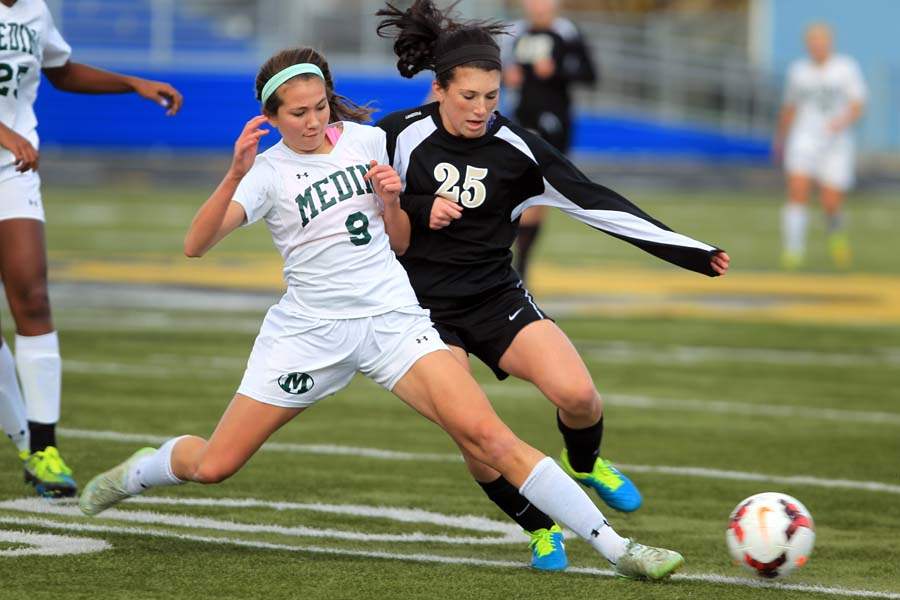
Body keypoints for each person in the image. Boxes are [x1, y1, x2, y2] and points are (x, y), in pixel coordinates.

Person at [78, 46, 685, 581]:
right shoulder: (265, 174)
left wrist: (397, 200)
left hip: (394, 322)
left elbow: (397, 241)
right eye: (298, 113)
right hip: (309, 334)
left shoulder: (371, 142)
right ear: (270, 117)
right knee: (215, 465)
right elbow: (196, 244)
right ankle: (138, 472)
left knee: (487, 435)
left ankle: (619, 548)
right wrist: (233, 173)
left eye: (321, 106)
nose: (314, 121)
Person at [375, 0, 730, 571]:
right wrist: (418, 205)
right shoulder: (395, 135)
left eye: (492, 98)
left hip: (495, 297)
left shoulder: (517, 149)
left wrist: (689, 250)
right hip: (421, 313)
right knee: (476, 436)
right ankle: (541, 528)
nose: (480, 110)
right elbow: (359, 192)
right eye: (468, 97)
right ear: (438, 90)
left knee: (580, 396)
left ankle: (585, 462)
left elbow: (596, 202)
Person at [0, 0, 183, 498]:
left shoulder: (34, 11)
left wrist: (133, 83)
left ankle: (44, 448)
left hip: (11, 172)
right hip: (12, 147)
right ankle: (25, 443)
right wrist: (5, 133)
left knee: (33, 298)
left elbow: (60, 70)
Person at [500, 0, 597, 284]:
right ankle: (515, 265)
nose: (537, 6)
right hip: (517, 119)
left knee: (536, 190)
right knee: (513, 190)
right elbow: (494, 74)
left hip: (553, 122)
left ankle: (522, 266)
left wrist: (556, 71)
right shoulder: (515, 33)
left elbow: (589, 74)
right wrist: (506, 77)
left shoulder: (566, 33)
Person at [774, 23, 866, 270]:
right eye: (812, 42)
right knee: (797, 191)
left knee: (830, 201)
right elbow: (789, 107)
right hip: (804, 139)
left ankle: (837, 237)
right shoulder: (798, 71)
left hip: (836, 143)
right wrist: (780, 138)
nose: (817, 46)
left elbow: (858, 104)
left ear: (830, 43)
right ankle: (793, 250)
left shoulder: (845, 68)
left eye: (821, 41)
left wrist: (840, 122)